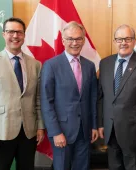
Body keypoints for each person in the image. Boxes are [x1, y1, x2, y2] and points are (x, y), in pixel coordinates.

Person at [0, 17, 45, 170]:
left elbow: (38, 99)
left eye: (19, 32)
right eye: (11, 31)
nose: (15, 36)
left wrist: (40, 127)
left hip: (28, 133)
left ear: (24, 35)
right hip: (0, 132)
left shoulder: (35, 64)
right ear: (3, 34)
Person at [97, 24, 136, 170]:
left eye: (127, 38)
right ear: (114, 41)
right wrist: (101, 123)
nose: (123, 43)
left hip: (135, 135)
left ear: (134, 40)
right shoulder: (105, 63)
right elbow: (101, 98)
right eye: (119, 39)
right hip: (111, 132)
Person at [40, 21, 98, 170]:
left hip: (84, 131)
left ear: (84, 40)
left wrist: (94, 126)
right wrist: (55, 132)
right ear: (63, 40)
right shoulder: (51, 65)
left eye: (78, 39)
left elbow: (92, 98)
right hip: (62, 131)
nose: (74, 43)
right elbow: (46, 102)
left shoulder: (89, 66)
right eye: (70, 39)